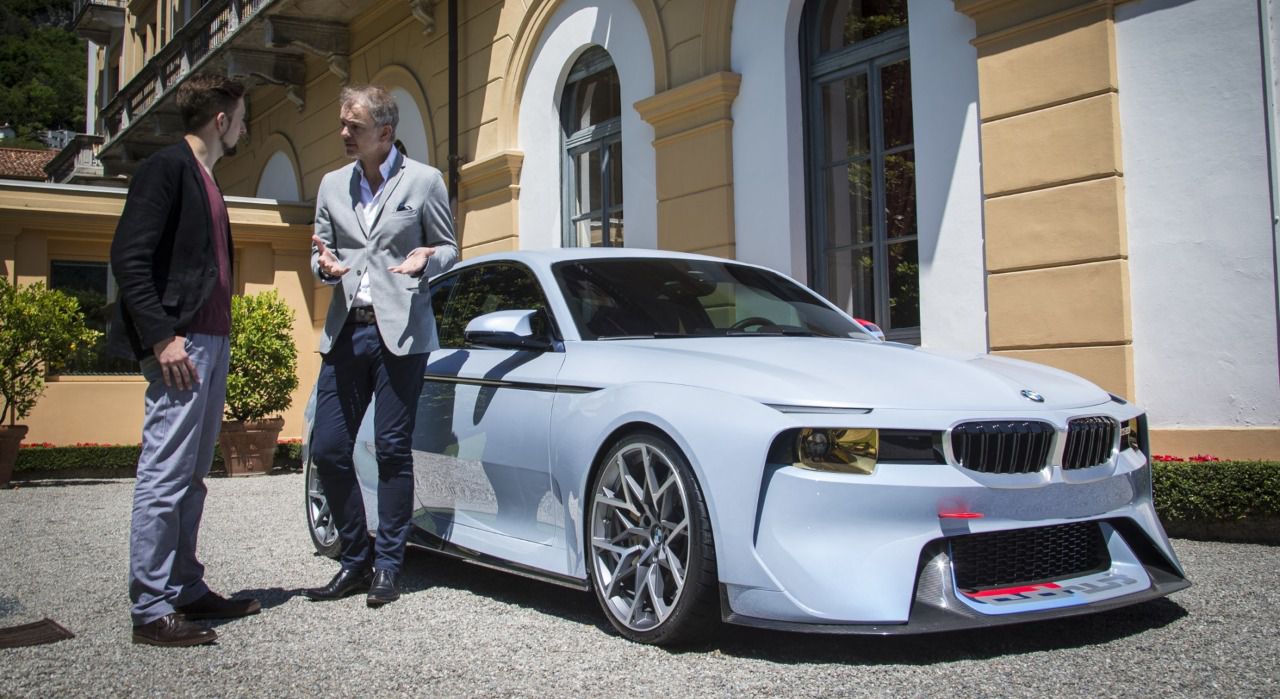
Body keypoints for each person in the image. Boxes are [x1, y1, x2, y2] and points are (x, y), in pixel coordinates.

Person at [108, 72, 261, 647]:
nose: (245, 127)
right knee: (165, 472)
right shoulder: (165, 169)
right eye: (241, 118)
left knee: (192, 474)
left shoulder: (207, 177)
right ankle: (150, 609)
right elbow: (129, 257)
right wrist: (161, 338)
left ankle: (185, 587)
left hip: (210, 341)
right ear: (220, 120)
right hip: (182, 344)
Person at [302, 85, 458, 607]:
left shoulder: (425, 181)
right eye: (343, 124)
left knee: (392, 449)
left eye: (355, 126)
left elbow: (450, 249)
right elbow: (319, 252)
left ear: (385, 133)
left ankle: (388, 566)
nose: (343, 133)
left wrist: (426, 259)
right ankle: (355, 558)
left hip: (402, 334)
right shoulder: (331, 185)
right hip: (346, 330)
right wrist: (324, 268)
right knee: (328, 447)